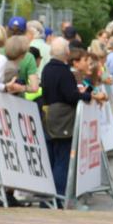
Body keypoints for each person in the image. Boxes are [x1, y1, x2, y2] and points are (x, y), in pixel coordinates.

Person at [41, 38, 106, 206]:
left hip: (48, 117)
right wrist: (87, 96)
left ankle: (47, 200)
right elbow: (70, 95)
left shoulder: (47, 69)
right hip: (63, 120)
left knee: (52, 159)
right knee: (63, 160)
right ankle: (60, 198)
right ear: (67, 53)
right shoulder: (64, 72)